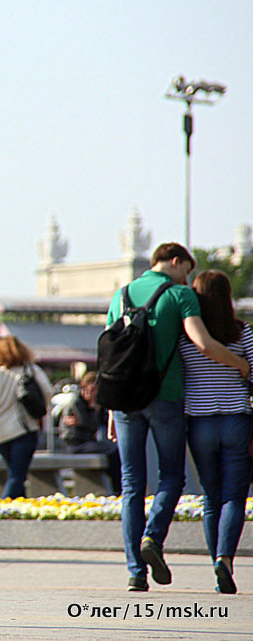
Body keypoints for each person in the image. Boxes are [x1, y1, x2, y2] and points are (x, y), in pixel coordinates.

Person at [105, 243, 249, 593]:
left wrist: (111, 409)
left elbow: (110, 357)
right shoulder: (181, 294)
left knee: (130, 486)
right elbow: (201, 343)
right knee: (171, 476)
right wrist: (242, 365)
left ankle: (135, 572)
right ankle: (153, 537)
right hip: (165, 398)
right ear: (175, 262)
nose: (188, 277)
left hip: (125, 402)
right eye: (187, 268)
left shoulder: (120, 295)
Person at [178, 269, 253, 594]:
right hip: (237, 418)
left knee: (211, 498)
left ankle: (215, 565)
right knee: (235, 497)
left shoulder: (187, 335)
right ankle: (226, 557)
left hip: (199, 421)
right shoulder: (243, 332)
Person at [0, 335, 52, 498]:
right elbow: (48, 392)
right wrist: (39, 410)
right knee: (17, 476)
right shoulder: (32, 371)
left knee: (15, 473)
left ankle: (18, 511)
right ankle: (3, 511)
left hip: (0, 434)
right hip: (24, 430)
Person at [54, 372, 122, 494]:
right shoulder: (76, 403)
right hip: (75, 443)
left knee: (115, 450)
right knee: (112, 451)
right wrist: (93, 408)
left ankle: (116, 485)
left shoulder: (93, 404)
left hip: (87, 440)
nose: (93, 394)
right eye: (91, 390)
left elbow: (101, 422)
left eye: (96, 390)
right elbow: (90, 424)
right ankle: (117, 489)